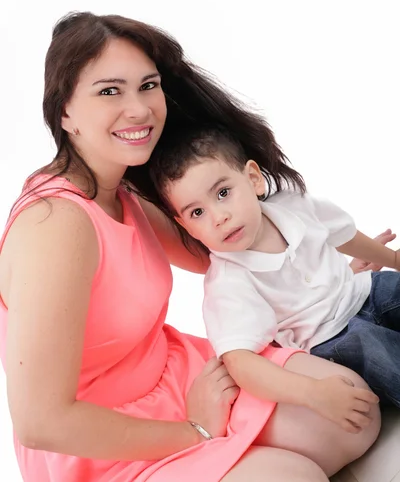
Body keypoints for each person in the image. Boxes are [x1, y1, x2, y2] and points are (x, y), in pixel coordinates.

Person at [0, 12, 381, 482]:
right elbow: (42, 424)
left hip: (178, 376)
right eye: (109, 91)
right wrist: (196, 430)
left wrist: (324, 271)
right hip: (97, 441)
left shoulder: (122, 192)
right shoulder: (55, 225)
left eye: (148, 85)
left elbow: (229, 249)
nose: (139, 109)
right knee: (291, 475)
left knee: (353, 412)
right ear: (64, 113)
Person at [146, 124, 400, 425]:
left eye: (223, 193)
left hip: (364, 291)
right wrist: (313, 392)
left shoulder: (292, 205)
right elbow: (240, 361)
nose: (219, 217)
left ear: (253, 179)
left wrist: (393, 259)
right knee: (378, 351)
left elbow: (341, 234)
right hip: (333, 338)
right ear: (185, 226)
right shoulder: (229, 281)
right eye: (197, 213)